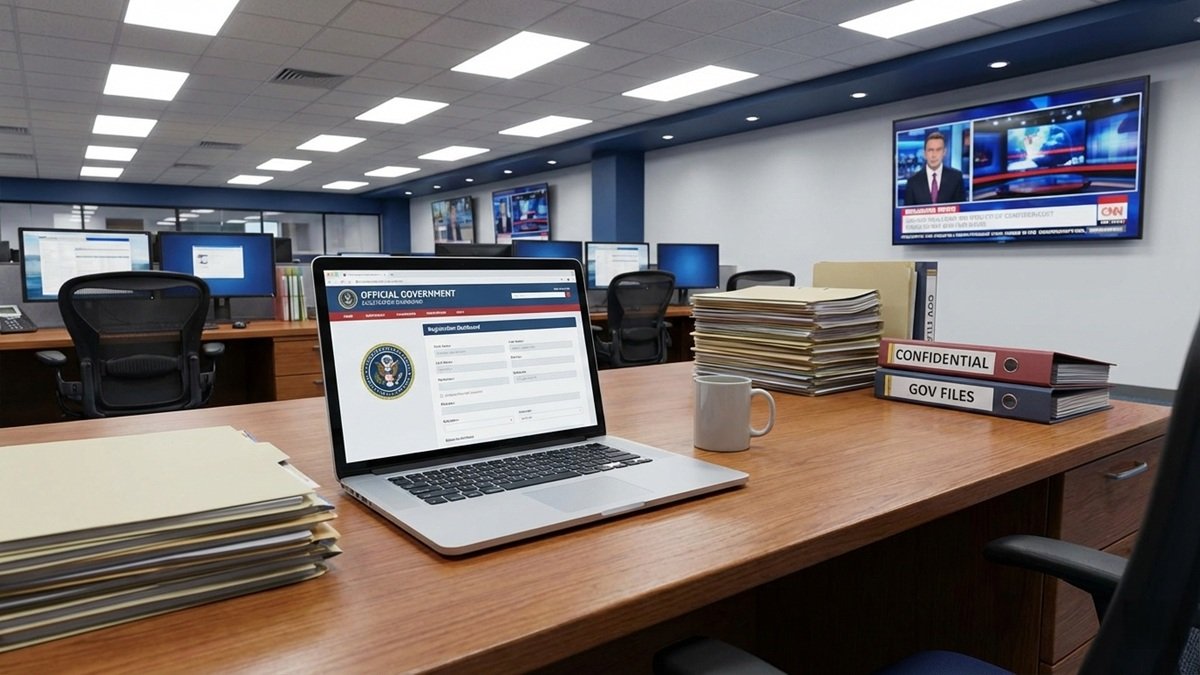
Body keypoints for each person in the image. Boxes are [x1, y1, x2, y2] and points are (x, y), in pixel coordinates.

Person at [904, 131, 965, 205]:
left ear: (944, 152)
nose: (934, 155)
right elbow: (907, 214)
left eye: (938, 150)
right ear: (925, 153)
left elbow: (962, 211)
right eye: (930, 150)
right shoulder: (912, 182)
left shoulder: (956, 177)